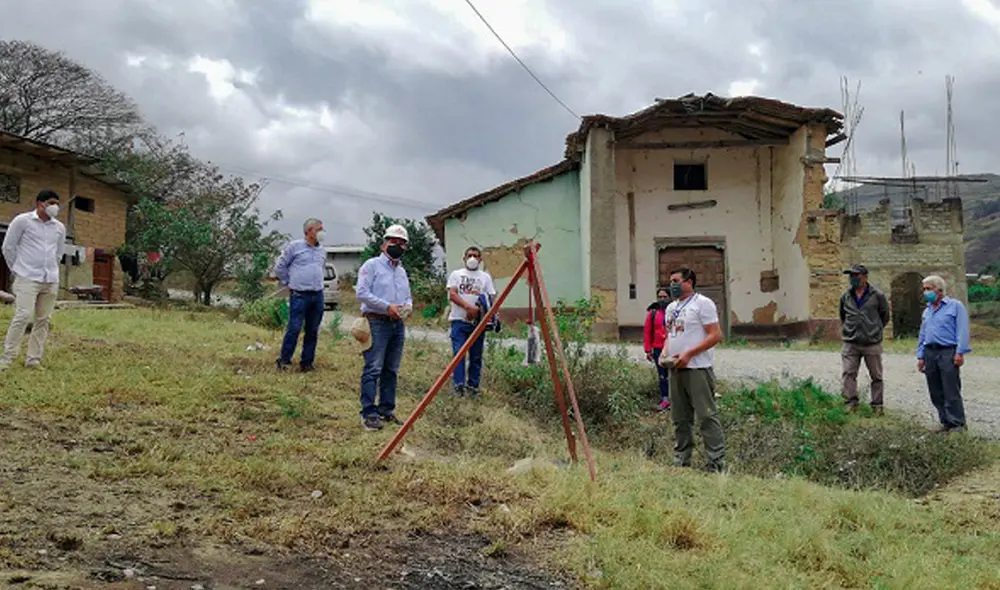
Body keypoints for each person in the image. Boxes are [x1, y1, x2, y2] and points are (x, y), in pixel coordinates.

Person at [662, 267, 725, 472]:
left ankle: (715, 462)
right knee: (680, 417)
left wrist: (690, 353)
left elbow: (715, 335)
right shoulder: (671, 307)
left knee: (706, 416)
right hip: (676, 369)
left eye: (675, 280)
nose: (672, 284)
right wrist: (665, 353)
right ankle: (682, 459)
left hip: (698, 368)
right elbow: (670, 334)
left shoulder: (703, 304)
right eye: (670, 281)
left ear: (688, 281)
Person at [355, 224, 413, 431]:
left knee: (391, 369)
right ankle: (368, 413)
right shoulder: (371, 266)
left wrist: (408, 307)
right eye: (393, 241)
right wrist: (386, 307)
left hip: (397, 324)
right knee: (373, 368)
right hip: (377, 321)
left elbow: (407, 296)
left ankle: (386, 409)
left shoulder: (401, 271)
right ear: (383, 244)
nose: (397, 245)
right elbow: (361, 293)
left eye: (401, 243)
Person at [1, 189, 66, 372]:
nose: (55, 207)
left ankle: (33, 359)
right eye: (51, 203)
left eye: (56, 203)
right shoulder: (23, 221)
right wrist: (18, 269)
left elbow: (58, 253)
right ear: (40, 204)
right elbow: (8, 247)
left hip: (50, 279)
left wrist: (52, 270)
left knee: (43, 320)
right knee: (22, 316)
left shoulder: (59, 228)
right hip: (27, 277)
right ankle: (7, 358)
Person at [917, 275, 971, 433]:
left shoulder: (955, 306)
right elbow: (923, 334)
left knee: (950, 388)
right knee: (935, 389)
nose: (926, 292)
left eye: (929, 289)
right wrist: (920, 356)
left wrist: (960, 352)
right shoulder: (927, 311)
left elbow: (962, 330)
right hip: (930, 351)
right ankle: (945, 422)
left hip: (948, 350)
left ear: (939, 290)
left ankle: (958, 424)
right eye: (924, 289)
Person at [273, 218, 327, 372]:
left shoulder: (322, 251)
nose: (322, 232)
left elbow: (320, 268)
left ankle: (307, 363)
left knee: (313, 330)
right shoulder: (294, 247)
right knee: (294, 328)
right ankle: (284, 361)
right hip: (299, 295)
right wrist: (288, 282)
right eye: (319, 229)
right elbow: (280, 267)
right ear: (309, 231)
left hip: (317, 295)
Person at [838, 264, 890, 415]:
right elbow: (843, 316)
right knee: (848, 373)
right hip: (851, 341)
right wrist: (851, 329)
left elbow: (884, 316)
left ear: (865, 277)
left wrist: (873, 329)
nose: (853, 279)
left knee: (876, 375)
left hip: (871, 342)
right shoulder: (846, 296)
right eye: (851, 276)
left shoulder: (877, 295)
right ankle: (850, 402)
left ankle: (877, 405)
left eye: (856, 276)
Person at [447, 246, 496, 397]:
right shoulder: (456, 274)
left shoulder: (485, 277)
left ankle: (473, 387)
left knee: (476, 357)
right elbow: (452, 294)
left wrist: (477, 312)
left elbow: (491, 297)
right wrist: (468, 308)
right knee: (459, 354)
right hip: (459, 322)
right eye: (469, 255)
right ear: (464, 258)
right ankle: (459, 386)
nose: (472, 258)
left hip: (478, 324)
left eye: (475, 256)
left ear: (480, 260)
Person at [643, 287, 671, 411]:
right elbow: (647, 332)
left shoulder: (675, 310)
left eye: (665, 297)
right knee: (662, 375)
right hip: (658, 349)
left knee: (675, 375)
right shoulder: (653, 312)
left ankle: (676, 400)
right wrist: (648, 350)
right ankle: (665, 399)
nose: (662, 299)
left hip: (673, 348)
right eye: (660, 297)